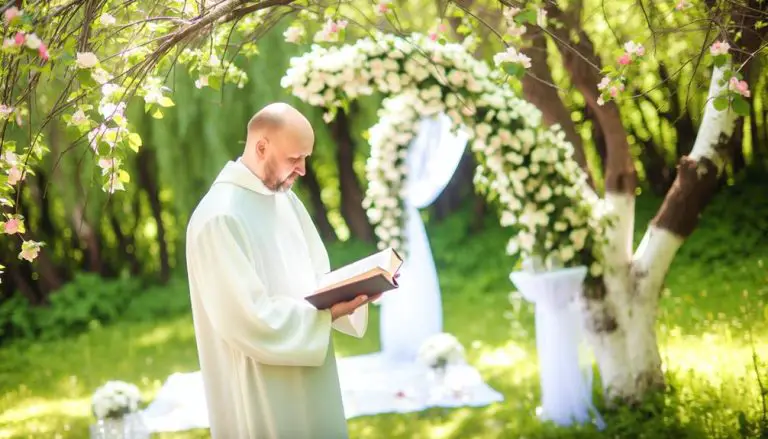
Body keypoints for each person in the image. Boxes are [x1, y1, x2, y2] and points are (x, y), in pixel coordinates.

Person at [185, 102, 375, 438]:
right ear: (261, 147)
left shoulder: (285, 200)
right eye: (294, 158)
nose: (303, 170)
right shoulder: (219, 218)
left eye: (306, 158)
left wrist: (356, 287)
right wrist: (325, 315)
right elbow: (247, 319)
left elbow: (318, 275)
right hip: (262, 386)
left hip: (311, 367)